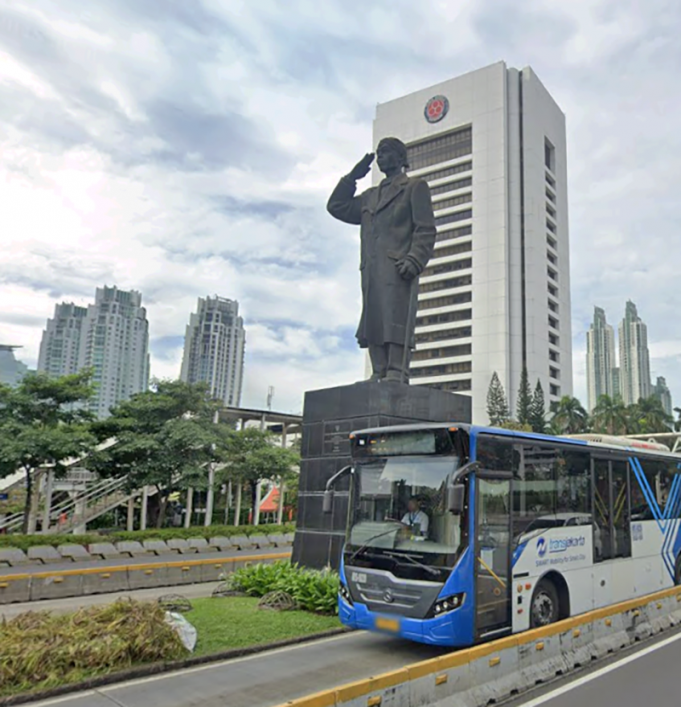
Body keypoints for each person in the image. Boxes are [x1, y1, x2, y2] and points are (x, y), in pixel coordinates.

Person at [327, 137, 436, 383]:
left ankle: (396, 370)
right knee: (373, 318)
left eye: (386, 152)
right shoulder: (369, 197)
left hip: (398, 267)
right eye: (378, 153)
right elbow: (336, 206)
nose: (380, 157)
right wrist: (352, 178)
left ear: (400, 157)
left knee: (396, 316)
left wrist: (415, 259)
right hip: (371, 269)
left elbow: (425, 229)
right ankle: (378, 371)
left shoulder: (414, 187)